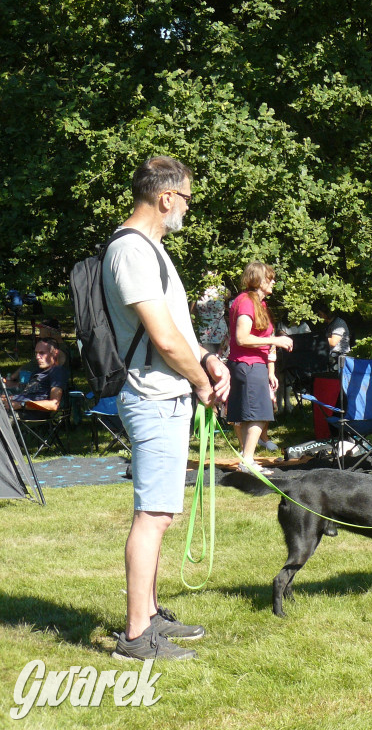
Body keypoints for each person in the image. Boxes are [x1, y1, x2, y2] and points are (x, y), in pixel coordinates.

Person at [102, 156, 231, 661]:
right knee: (152, 515)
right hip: (154, 397)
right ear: (166, 198)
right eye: (187, 200)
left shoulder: (151, 248)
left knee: (161, 514)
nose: (187, 210)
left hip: (169, 393)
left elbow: (178, 331)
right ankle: (137, 635)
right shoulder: (131, 251)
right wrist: (202, 381)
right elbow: (161, 338)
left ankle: (150, 612)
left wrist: (208, 360)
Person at [226, 262, 293, 471]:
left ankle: (247, 458)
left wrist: (271, 370)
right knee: (258, 413)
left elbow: (261, 336)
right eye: (269, 278)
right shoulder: (246, 302)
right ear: (258, 280)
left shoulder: (258, 303)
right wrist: (276, 341)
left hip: (252, 365)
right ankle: (247, 460)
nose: (273, 281)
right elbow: (242, 337)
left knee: (247, 413)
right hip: (248, 365)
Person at [2, 338, 68, 418]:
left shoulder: (57, 371)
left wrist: (20, 404)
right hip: (16, 406)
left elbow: (54, 404)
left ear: (54, 353)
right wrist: (11, 398)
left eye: (42, 353)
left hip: (29, 412)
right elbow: (27, 392)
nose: (37, 357)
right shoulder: (38, 371)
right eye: (36, 353)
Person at [192, 272, 230, 357]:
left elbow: (229, 306)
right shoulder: (198, 291)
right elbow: (192, 313)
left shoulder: (223, 291)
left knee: (220, 359)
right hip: (203, 331)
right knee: (204, 358)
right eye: (204, 272)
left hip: (219, 330)